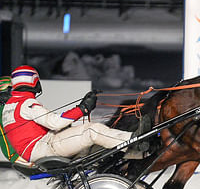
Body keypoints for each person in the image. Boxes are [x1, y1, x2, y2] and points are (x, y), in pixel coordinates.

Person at [2, 65, 148, 164]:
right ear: (33, 81)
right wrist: (82, 109)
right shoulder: (26, 103)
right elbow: (55, 122)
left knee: (85, 133)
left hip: (36, 149)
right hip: (43, 147)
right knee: (91, 130)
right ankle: (133, 140)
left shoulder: (10, 106)